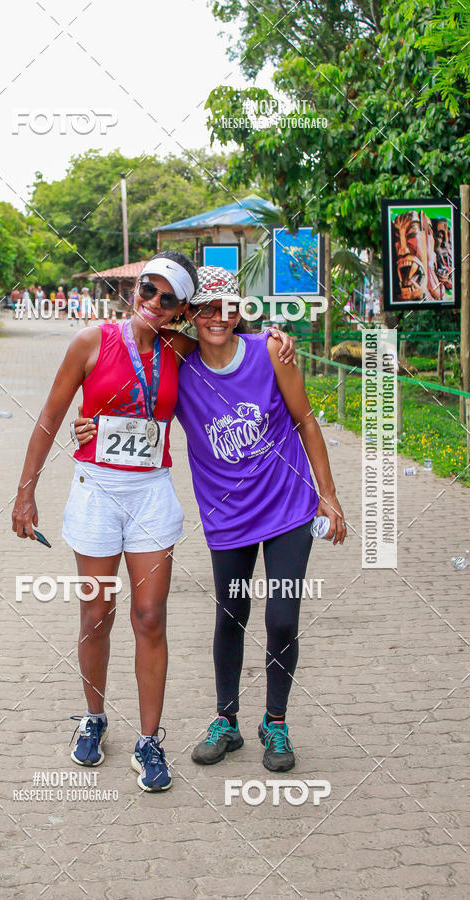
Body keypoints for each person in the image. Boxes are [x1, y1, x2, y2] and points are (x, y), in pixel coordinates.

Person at [11, 251, 295, 793]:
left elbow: (230, 343)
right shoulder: (91, 342)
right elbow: (51, 416)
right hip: (95, 493)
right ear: (135, 290)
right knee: (97, 613)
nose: (154, 304)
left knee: (150, 617)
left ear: (181, 309)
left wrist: (276, 336)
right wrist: (25, 494)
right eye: (148, 290)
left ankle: (149, 741)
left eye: (169, 298)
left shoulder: (182, 348)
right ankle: (93, 719)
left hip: (149, 498)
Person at [74, 266, 346, 774]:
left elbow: (306, 419)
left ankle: (277, 723)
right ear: (192, 315)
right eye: (207, 308)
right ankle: (227, 720)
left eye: (229, 307)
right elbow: (139, 396)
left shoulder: (269, 351)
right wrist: (90, 422)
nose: (219, 318)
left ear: (241, 311)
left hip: (289, 507)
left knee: (283, 616)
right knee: (232, 616)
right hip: (228, 517)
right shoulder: (182, 363)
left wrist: (328, 496)